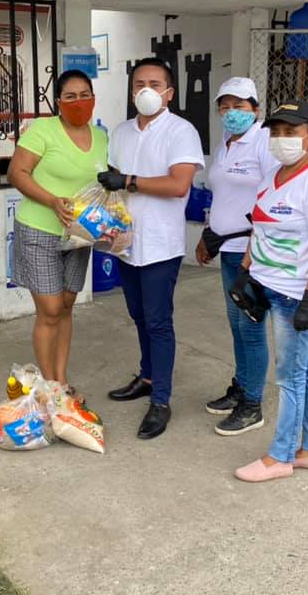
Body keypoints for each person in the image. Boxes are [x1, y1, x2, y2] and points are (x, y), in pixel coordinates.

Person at [232, 100, 308, 483]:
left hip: (295, 296)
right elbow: (259, 227)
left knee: (289, 378)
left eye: (291, 132)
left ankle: (280, 457)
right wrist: (245, 272)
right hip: (269, 287)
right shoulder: (272, 176)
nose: (282, 139)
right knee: (306, 370)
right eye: (276, 132)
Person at [99, 57, 204, 440]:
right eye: (139, 84)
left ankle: (161, 400)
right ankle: (147, 377)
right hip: (126, 241)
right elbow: (111, 183)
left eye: (155, 84)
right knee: (139, 315)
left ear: (169, 92)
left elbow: (178, 185)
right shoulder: (121, 132)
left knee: (158, 321)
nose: (146, 90)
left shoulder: (182, 131)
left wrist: (128, 180)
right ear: (131, 91)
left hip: (161, 243)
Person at [8, 70, 108, 390]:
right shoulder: (43, 130)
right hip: (39, 229)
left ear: (93, 97)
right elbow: (17, 172)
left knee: (66, 305)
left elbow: (104, 183)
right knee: (50, 310)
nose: (79, 101)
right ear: (58, 101)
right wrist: (52, 201)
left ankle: (60, 381)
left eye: (84, 95)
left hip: (79, 234)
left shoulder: (101, 137)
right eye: (70, 96)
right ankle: (49, 386)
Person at [195, 77, 278, 437]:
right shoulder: (226, 143)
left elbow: (272, 197)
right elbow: (224, 196)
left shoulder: (264, 142)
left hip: (252, 252)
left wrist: (253, 248)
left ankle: (253, 405)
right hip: (227, 249)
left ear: (255, 109)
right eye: (225, 106)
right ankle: (241, 387)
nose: (231, 112)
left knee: (251, 325)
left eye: (240, 106)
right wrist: (209, 233)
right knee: (236, 323)